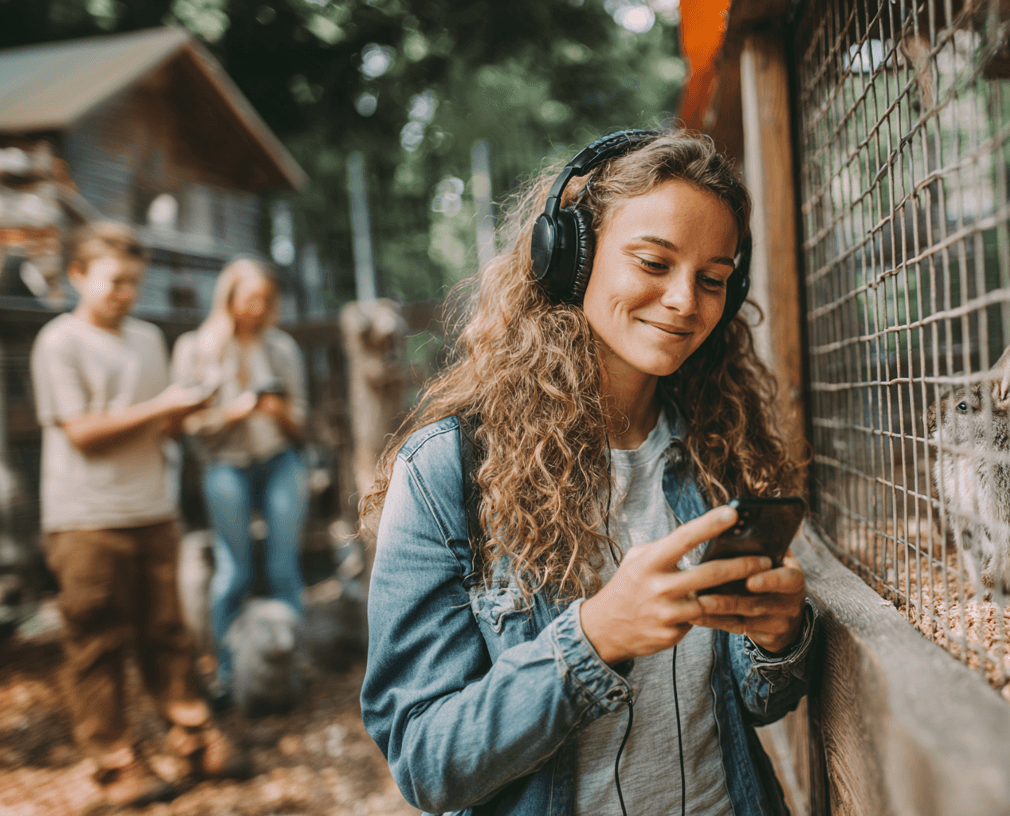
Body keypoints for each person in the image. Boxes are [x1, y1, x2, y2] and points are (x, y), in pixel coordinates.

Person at [360, 129, 817, 816]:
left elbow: (756, 702)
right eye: (654, 263)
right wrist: (594, 637)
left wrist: (777, 640)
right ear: (570, 259)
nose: (685, 300)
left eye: (713, 279)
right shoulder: (447, 473)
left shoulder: (726, 448)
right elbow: (427, 761)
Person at [30, 221, 247, 809]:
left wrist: (186, 411)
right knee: (97, 639)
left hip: (153, 506)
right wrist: (160, 406)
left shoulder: (148, 339)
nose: (127, 292)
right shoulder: (59, 341)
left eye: (135, 282)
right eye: (115, 281)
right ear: (77, 275)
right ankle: (115, 763)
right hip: (85, 516)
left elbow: (159, 423)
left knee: (167, 630)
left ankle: (192, 735)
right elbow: (82, 434)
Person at [170, 257, 309, 703]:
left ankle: (290, 663)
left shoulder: (282, 348)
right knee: (234, 569)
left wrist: (278, 413)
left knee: (284, 565)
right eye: (249, 298)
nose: (257, 307)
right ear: (228, 297)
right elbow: (187, 425)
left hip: (279, 459)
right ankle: (228, 671)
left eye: (265, 300)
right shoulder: (196, 348)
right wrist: (234, 412)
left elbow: (301, 424)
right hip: (224, 463)